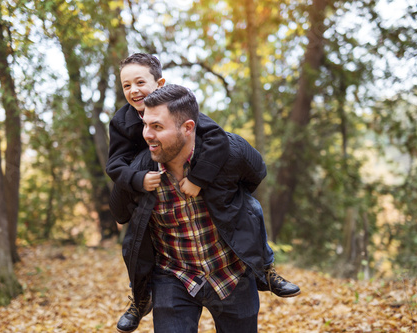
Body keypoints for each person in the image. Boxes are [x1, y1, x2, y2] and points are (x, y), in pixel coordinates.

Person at [106, 54, 300, 333]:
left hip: (231, 273)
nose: (134, 90)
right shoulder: (124, 124)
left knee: (250, 206)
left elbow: (238, 158)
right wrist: (136, 179)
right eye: (127, 85)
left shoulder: (200, 125)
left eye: (140, 82)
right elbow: (115, 174)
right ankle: (139, 299)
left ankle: (266, 270)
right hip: (174, 275)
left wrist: (200, 178)